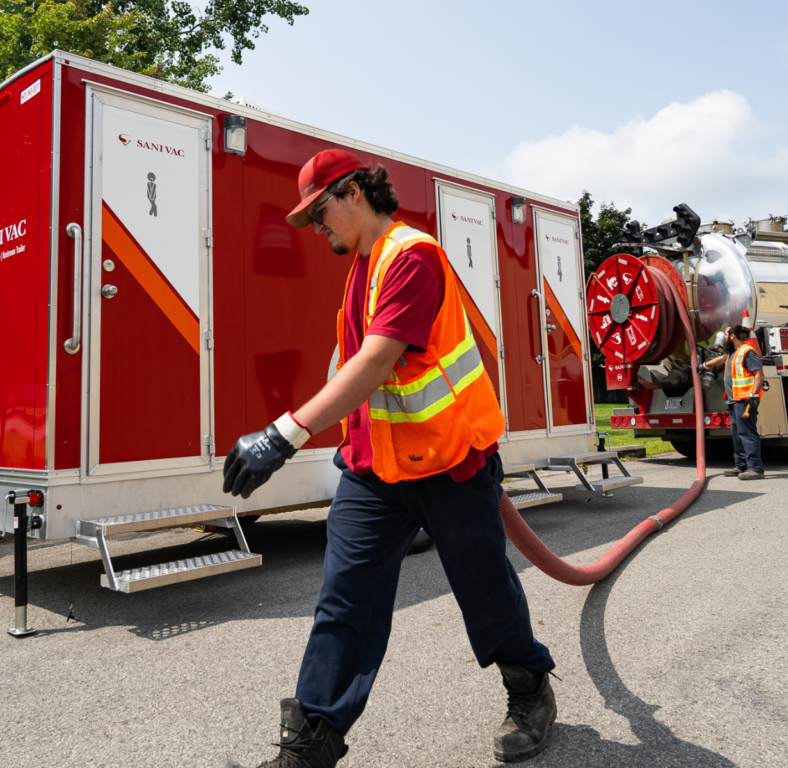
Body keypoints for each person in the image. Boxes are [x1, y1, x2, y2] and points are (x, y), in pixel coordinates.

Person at [222, 149, 557, 768]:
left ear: (352, 192)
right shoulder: (362, 271)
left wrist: (283, 432)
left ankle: (529, 688)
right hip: (376, 470)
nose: (314, 227)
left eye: (318, 211)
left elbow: (378, 361)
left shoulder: (411, 256)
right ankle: (312, 742)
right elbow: (354, 373)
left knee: (484, 591)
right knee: (344, 599)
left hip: (451, 463)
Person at [702, 325, 764, 479]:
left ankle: (755, 469)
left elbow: (759, 375)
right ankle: (741, 466)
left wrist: (753, 396)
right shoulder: (732, 354)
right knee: (737, 434)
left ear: (732, 336)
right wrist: (705, 365)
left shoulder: (747, 352)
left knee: (747, 433)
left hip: (745, 400)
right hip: (734, 401)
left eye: (725, 334)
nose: (723, 337)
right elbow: (720, 359)